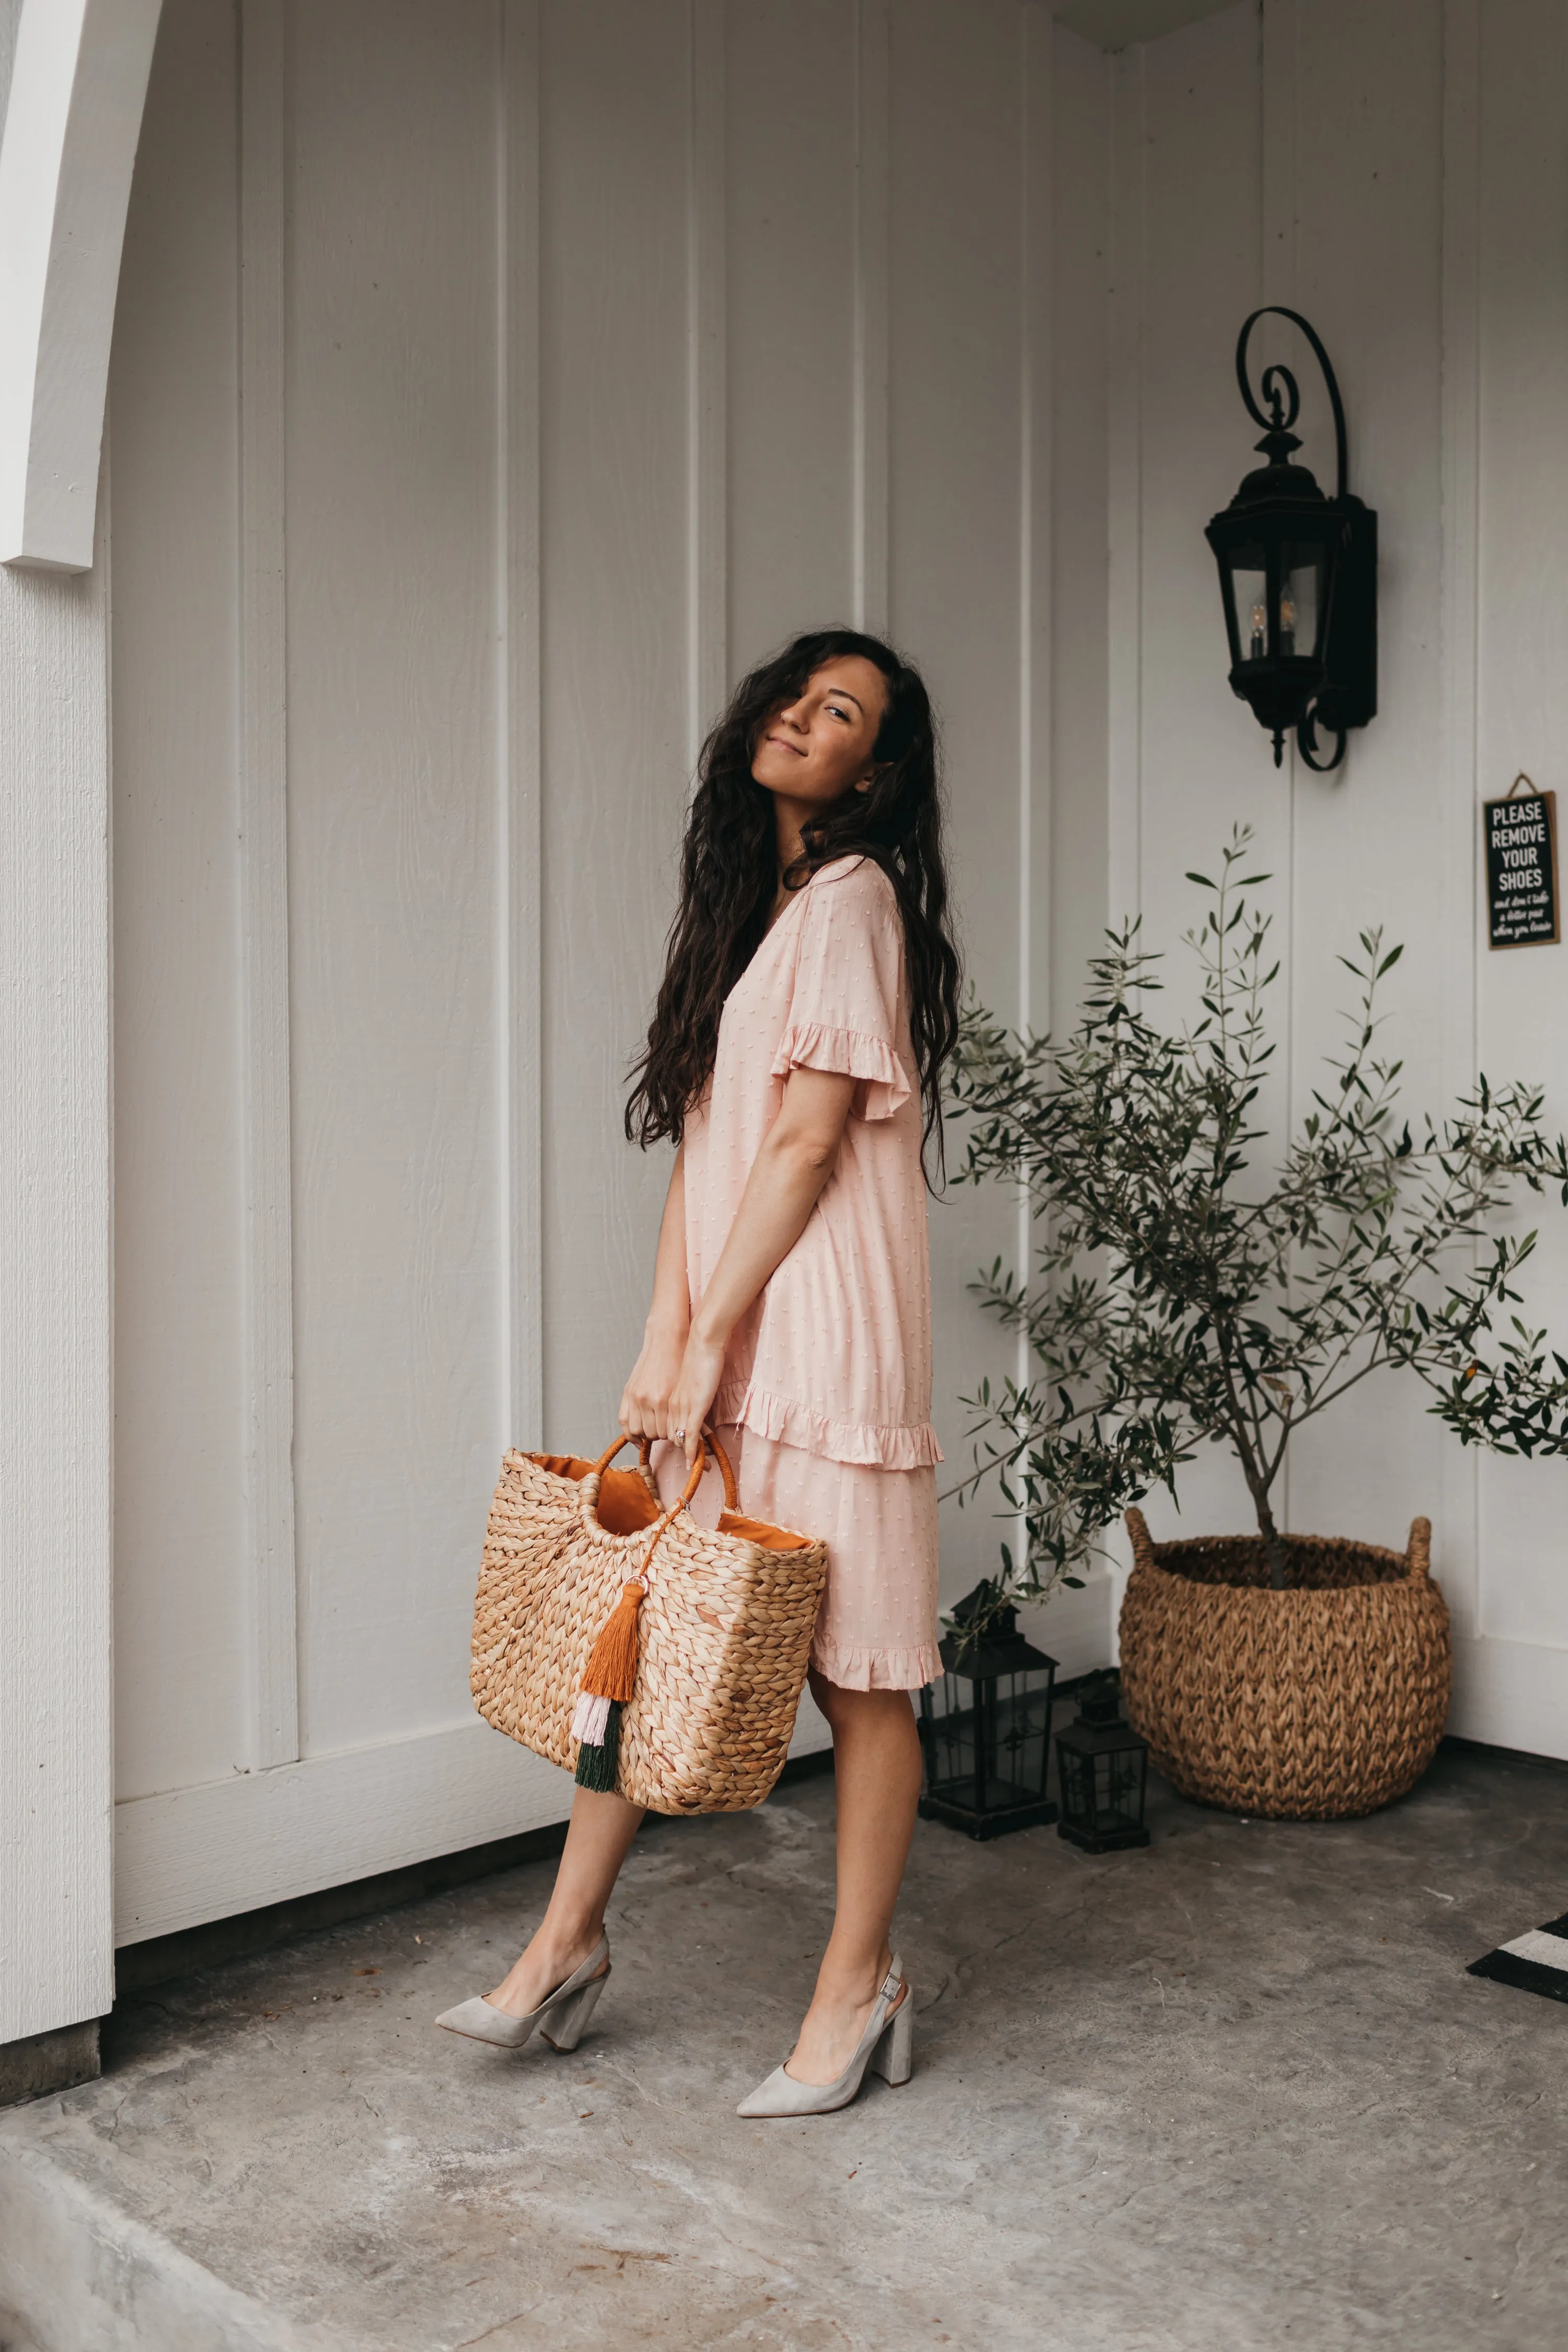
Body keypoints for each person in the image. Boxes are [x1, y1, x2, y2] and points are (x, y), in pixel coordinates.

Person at [437, 629, 960, 2115]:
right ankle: (563, 1943)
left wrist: (713, 1331)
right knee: (642, 1642)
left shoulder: (857, 901)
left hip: (823, 1326)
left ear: (880, 767)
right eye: (797, 693)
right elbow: (705, 1155)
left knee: (861, 1677)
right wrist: (665, 1339)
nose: (803, 717)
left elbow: (804, 1151)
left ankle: (858, 1987)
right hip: (733, 1322)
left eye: (842, 710)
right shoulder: (757, 911)